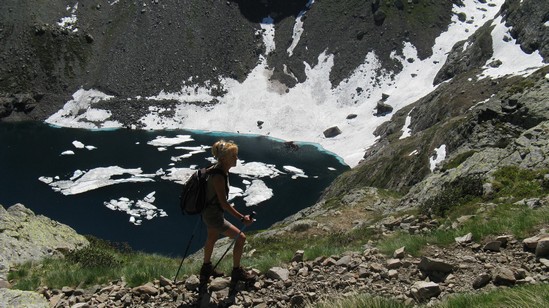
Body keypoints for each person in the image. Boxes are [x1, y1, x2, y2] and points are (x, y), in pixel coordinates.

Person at [200, 140, 255, 284]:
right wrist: (242, 218)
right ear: (223, 158)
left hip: (208, 212)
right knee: (241, 238)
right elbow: (224, 204)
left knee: (211, 238)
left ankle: (206, 269)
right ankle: (237, 272)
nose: (236, 158)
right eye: (233, 156)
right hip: (214, 215)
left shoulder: (217, 170)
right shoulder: (218, 176)